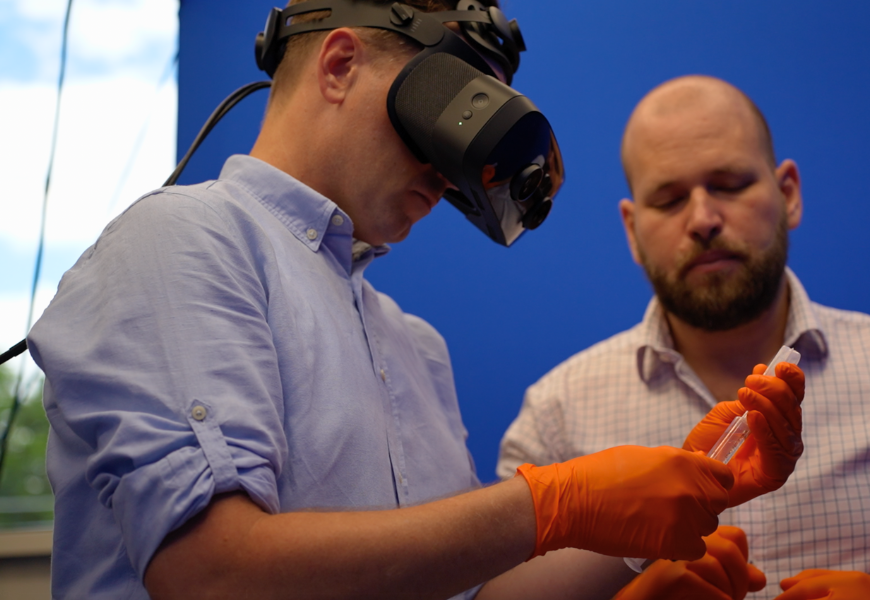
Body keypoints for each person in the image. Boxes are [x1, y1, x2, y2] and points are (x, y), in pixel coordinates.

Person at [27, 5, 804, 597]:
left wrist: (651, 528)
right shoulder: (182, 241)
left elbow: (468, 589)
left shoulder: (413, 345)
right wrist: (557, 502)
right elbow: (213, 575)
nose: (449, 174)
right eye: (445, 122)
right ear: (339, 65)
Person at [498, 74, 870, 600]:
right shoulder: (556, 415)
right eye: (670, 200)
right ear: (632, 231)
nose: (703, 220)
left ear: (788, 194)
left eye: (731, 185)